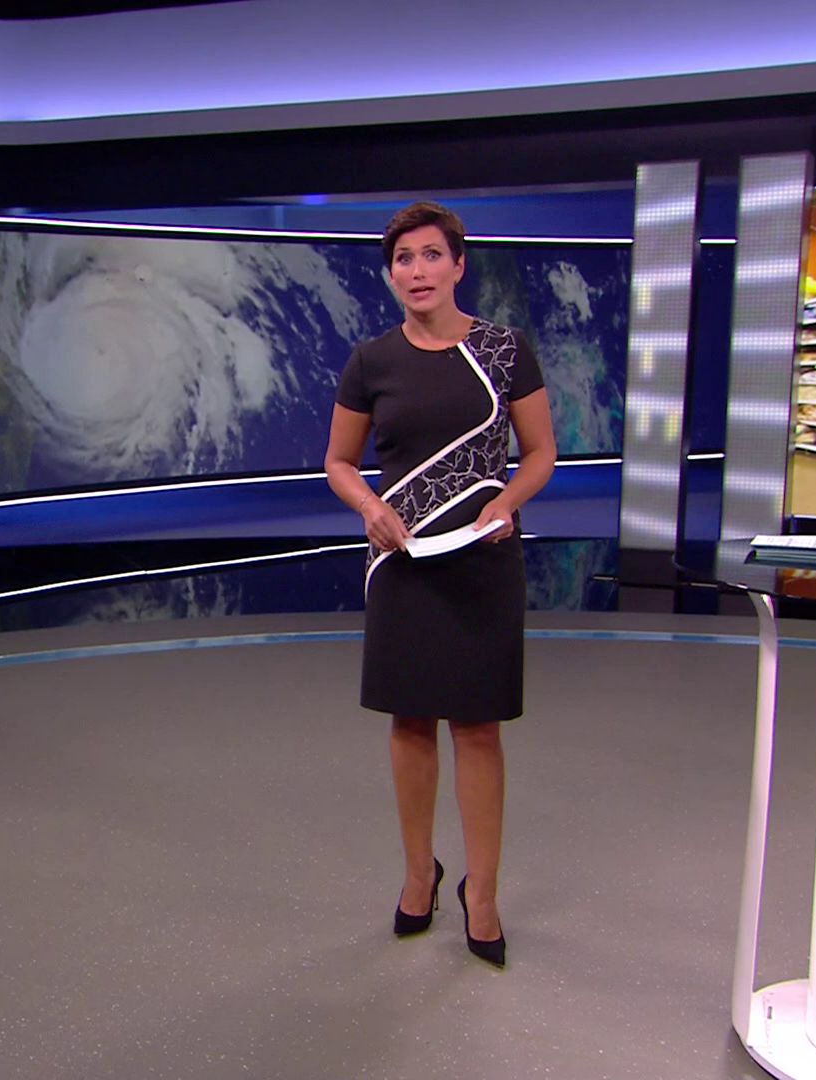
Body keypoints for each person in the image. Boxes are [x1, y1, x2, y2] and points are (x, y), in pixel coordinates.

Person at [323, 201, 556, 965]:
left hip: (483, 561)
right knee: (411, 722)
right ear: (391, 275)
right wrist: (370, 508)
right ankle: (419, 873)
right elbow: (339, 463)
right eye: (403, 259)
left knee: (479, 728)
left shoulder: (504, 350)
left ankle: (481, 892)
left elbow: (541, 453)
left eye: (430, 255)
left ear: (458, 265)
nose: (417, 270)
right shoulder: (371, 362)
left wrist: (507, 502)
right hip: (404, 565)